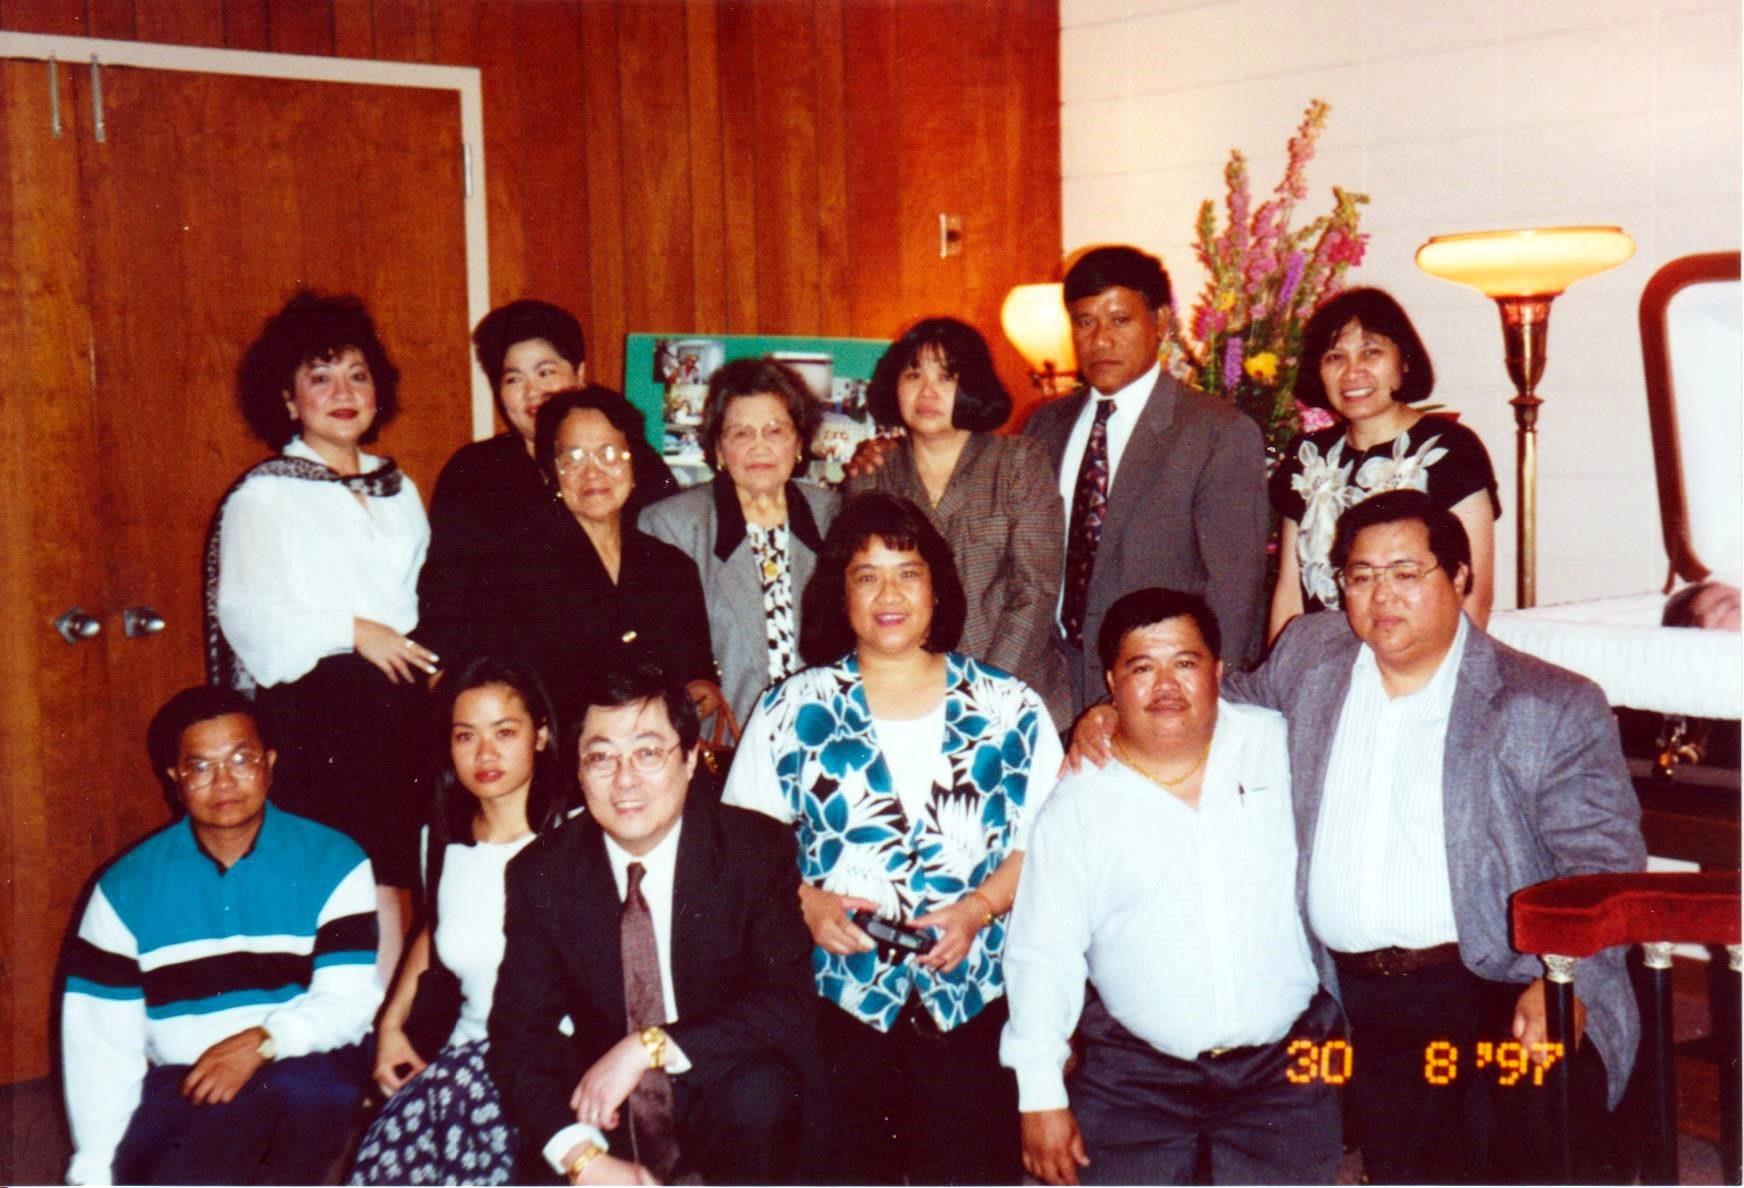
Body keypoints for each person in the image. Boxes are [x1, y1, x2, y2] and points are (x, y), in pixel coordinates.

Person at [1073, 490, 1646, 1183]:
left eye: (1406, 573)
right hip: (1355, 1000)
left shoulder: (1547, 703)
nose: (1382, 596)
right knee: (1407, 1170)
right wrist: (1112, 712)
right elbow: (1221, 705)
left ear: (1459, 577)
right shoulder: (1314, 655)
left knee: (1524, 1154)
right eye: (1361, 575)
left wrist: (1564, 980)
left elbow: (1606, 865)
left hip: (1496, 985)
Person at [724, 491, 1064, 1185]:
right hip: (835, 1012)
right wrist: (808, 904)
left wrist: (977, 911)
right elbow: (738, 856)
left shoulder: (1010, 708)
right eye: (866, 574)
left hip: (974, 1009)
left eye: (908, 572)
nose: (889, 593)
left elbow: (1051, 847)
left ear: (938, 590)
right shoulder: (790, 710)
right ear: (840, 594)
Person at [1003, 588, 1341, 1186]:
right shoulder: (1077, 802)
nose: (1166, 686)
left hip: (1287, 1069)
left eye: (1184, 663)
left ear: (1218, 670)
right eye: (1142, 667)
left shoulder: (1280, 744)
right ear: (1110, 680)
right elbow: (1041, 953)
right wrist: (1040, 1094)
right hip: (1136, 1076)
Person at [487, 659, 815, 1186]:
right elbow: (519, 1035)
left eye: (647, 753)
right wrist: (582, 1159)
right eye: (601, 758)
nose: (625, 781)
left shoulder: (752, 850)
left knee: (762, 1093)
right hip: (605, 1109)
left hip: (725, 1092)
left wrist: (648, 1046)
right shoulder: (542, 874)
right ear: (575, 769)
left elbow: (788, 1005)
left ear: (689, 759)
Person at [62, 686, 379, 1186]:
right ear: (175, 776)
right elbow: (99, 1043)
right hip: (184, 1077)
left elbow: (348, 1001)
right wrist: (96, 1169)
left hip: (301, 1061)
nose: (224, 782)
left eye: (241, 759)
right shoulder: (125, 888)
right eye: (202, 766)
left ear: (269, 762)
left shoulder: (333, 861)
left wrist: (263, 1042)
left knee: (303, 1098)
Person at [209, 290, 431, 964]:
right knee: (337, 876)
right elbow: (245, 614)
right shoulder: (264, 496)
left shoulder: (399, 489)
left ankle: (386, 1029)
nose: (343, 392)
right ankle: (336, 1034)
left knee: (396, 873)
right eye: (320, 376)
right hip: (321, 712)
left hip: (399, 709)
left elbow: (425, 590)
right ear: (287, 397)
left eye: (358, 376)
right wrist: (352, 628)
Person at [349, 657, 577, 1185]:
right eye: (465, 736)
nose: (485, 754)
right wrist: (389, 1026)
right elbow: (438, 930)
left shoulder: (576, 836)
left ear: (541, 735)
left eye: (505, 732)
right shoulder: (444, 841)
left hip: (559, 1063)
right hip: (466, 1055)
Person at [1023, 246, 1268, 712]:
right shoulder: (1044, 426)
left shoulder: (1217, 432)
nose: (1100, 340)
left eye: (1120, 320)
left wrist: (1208, 702)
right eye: (1084, 321)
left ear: (1160, 321)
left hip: (1160, 694)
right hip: (1051, 685)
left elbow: (1235, 596)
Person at [418, 300, 679, 673]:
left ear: (580, 374)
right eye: (513, 379)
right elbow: (445, 598)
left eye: (546, 372)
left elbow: (667, 574)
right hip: (510, 681)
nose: (532, 391)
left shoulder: (634, 460)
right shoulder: (473, 473)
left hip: (625, 680)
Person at [842, 317, 1072, 730]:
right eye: (913, 374)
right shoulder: (874, 474)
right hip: (905, 699)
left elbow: (1035, 590)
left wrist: (980, 690)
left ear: (972, 386)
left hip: (1016, 698)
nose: (927, 392)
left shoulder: (1018, 462)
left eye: (946, 377)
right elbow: (863, 593)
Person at [1268, 287, 1498, 643]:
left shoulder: (1451, 450)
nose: (1351, 372)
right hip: (1319, 665)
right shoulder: (1307, 456)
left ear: (1404, 361)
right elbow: (1289, 594)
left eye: (1371, 352)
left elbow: (1472, 595)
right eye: (1334, 357)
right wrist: (1280, 684)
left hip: (1418, 661)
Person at [639, 357, 839, 728]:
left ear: (798, 441)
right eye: (741, 433)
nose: (759, 447)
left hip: (823, 733)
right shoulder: (672, 526)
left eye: (775, 431)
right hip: (723, 742)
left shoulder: (833, 516)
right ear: (718, 448)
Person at [529, 386, 719, 722]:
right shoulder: (523, 568)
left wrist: (700, 690)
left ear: (634, 465)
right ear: (552, 473)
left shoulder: (672, 567)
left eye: (609, 454)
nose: (593, 472)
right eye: (573, 457)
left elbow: (699, 673)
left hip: (655, 756)